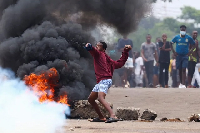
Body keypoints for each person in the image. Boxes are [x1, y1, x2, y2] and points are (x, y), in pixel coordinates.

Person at [85, 41, 132, 123]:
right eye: (96, 45)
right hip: (101, 81)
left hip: (105, 80)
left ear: (103, 49)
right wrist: (125, 52)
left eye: (98, 46)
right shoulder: (107, 59)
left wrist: (89, 46)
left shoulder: (98, 54)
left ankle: (113, 116)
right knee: (91, 99)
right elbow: (120, 63)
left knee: (100, 98)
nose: (96, 46)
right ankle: (101, 117)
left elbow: (93, 50)